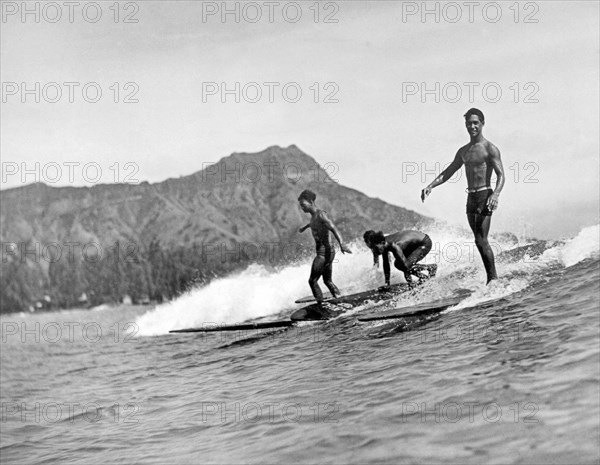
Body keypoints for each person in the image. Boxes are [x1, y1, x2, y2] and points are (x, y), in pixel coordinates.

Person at [421, 108, 505, 284]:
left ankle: (493, 280)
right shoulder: (463, 151)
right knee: (478, 240)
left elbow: (501, 175)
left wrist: (495, 194)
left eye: (475, 122)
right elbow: (450, 171)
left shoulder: (490, 148)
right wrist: (431, 186)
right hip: (470, 197)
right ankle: (491, 278)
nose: (472, 126)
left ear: (482, 123)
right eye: (469, 123)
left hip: (484, 194)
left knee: (481, 240)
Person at [298, 189, 352, 303]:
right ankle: (340, 299)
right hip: (328, 251)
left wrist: (342, 244)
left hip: (324, 253)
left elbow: (333, 228)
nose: (302, 208)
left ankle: (320, 305)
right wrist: (304, 227)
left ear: (311, 201)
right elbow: (313, 224)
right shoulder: (314, 217)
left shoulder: (321, 214)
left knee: (312, 281)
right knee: (327, 280)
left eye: (303, 205)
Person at [363, 230, 436, 286]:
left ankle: (431, 267)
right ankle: (424, 278)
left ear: (382, 243)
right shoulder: (383, 244)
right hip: (413, 243)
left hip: (424, 243)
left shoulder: (396, 246)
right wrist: (387, 284)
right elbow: (386, 264)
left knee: (403, 265)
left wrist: (410, 284)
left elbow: (405, 266)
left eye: (376, 248)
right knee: (398, 264)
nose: (375, 251)